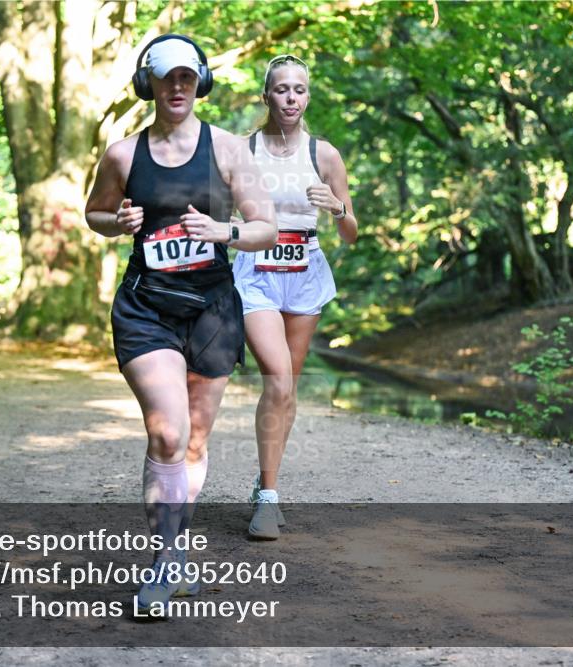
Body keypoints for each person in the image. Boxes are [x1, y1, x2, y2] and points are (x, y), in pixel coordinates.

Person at [85, 35, 276, 610]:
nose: (176, 88)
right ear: (149, 83)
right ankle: (166, 560)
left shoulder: (227, 150)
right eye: (166, 78)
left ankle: (177, 551)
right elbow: (93, 212)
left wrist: (226, 233)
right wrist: (117, 222)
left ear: (200, 83)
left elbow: (266, 226)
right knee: (166, 433)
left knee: (193, 437)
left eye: (187, 78)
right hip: (147, 307)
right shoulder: (123, 154)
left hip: (213, 310)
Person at [233, 55, 358, 539]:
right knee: (279, 382)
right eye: (281, 89)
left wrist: (338, 207)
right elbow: (214, 211)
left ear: (308, 96)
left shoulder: (323, 154)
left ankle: (267, 480)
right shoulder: (242, 150)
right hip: (255, 271)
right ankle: (267, 499)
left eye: (299, 90)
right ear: (266, 96)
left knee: (288, 388)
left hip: (305, 271)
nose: (291, 98)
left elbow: (350, 233)